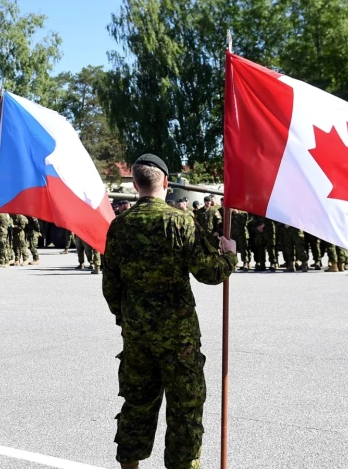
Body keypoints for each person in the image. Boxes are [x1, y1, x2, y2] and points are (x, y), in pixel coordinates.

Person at [102, 154, 237, 469]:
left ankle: (129, 465)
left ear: (135, 185)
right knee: (185, 407)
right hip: (179, 336)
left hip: (137, 335)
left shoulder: (119, 226)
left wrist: (127, 319)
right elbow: (209, 273)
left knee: (137, 402)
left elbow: (110, 285)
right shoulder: (181, 221)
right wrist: (228, 256)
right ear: (165, 182)